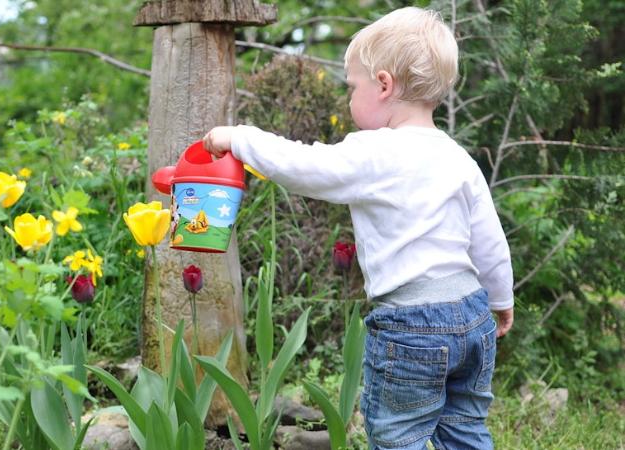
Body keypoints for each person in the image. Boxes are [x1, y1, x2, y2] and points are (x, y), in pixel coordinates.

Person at [202, 6, 513, 450]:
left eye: (353, 87)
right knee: (464, 432)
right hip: (472, 316)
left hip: (412, 326)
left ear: (384, 85)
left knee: (397, 436)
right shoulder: (458, 158)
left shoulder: (375, 152)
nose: (349, 99)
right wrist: (501, 299)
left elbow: (304, 165)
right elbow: (490, 241)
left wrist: (239, 139)